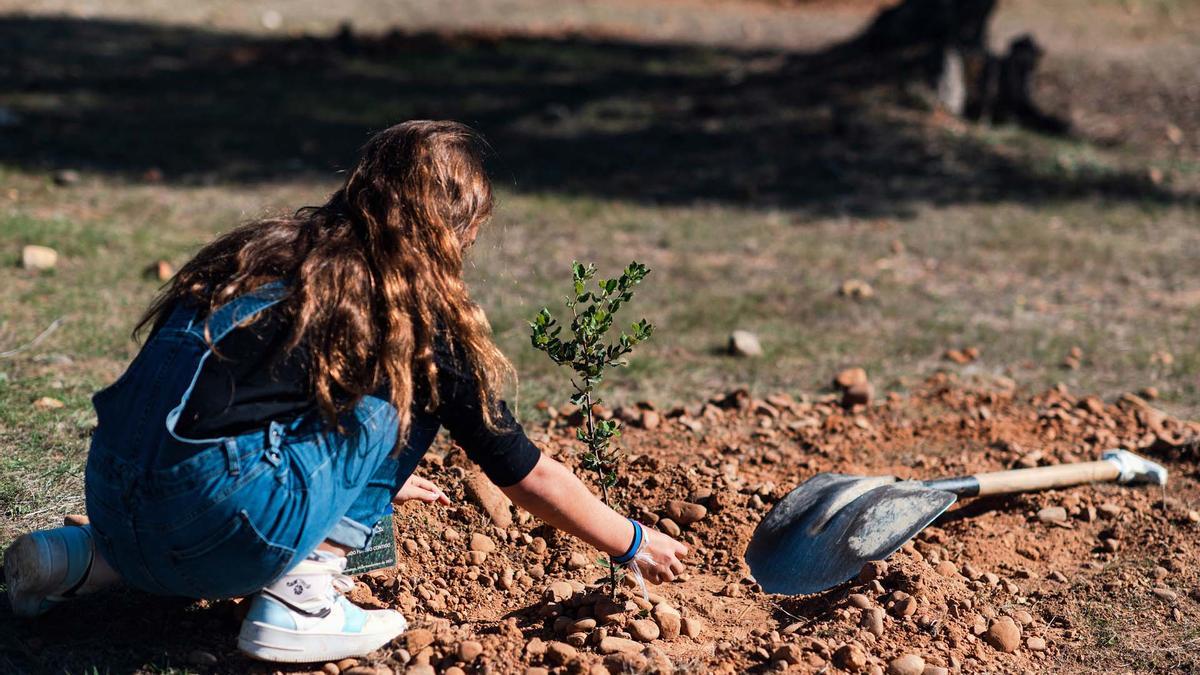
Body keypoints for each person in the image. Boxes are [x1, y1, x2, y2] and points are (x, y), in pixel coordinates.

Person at [3, 120, 688, 663]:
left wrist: (356, 477)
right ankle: (303, 598)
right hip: (213, 520)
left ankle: (79, 557)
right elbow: (524, 471)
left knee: (182, 486)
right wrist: (631, 540)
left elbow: (238, 401)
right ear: (454, 227)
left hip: (113, 494)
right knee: (412, 381)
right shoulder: (415, 314)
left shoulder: (261, 251)